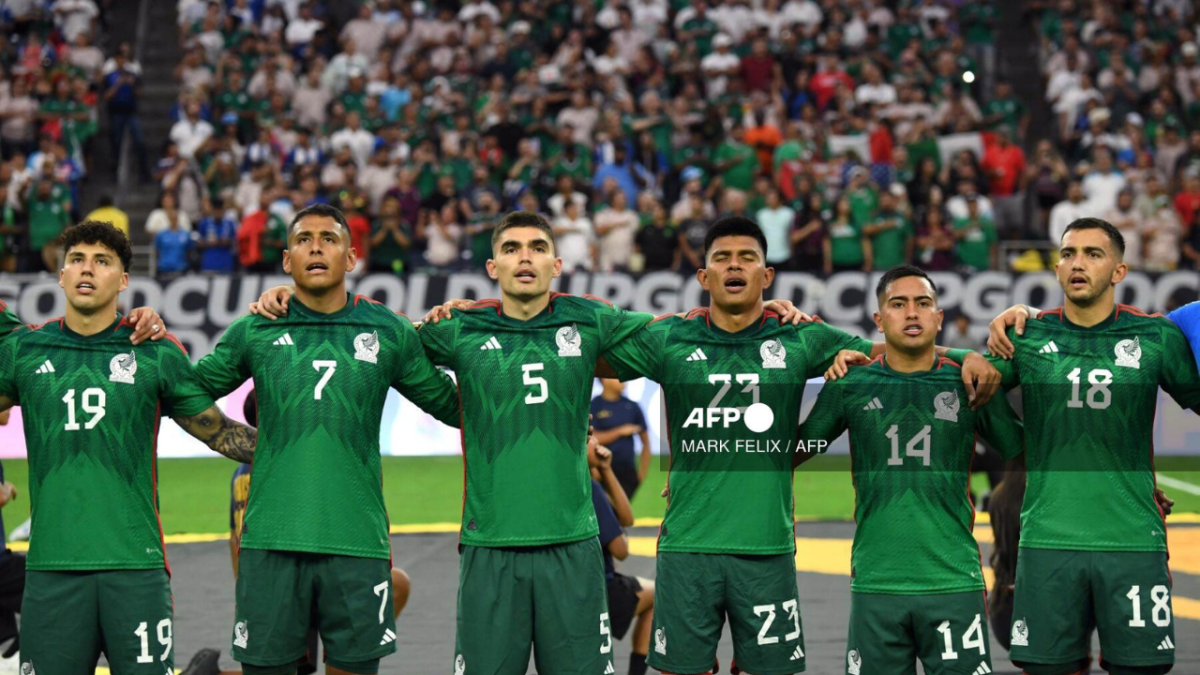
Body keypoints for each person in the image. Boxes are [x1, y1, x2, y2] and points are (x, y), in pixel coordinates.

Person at [598, 218, 1000, 675]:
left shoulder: (800, 336)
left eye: (748, 258)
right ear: (703, 276)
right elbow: (585, 357)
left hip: (767, 548)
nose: (735, 266)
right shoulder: (669, 336)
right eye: (722, 259)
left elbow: (899, 350)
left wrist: (964, 355)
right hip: (688, 547)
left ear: (766, 275)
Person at [194, 204, 462, 675]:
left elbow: (453, 407)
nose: (316, 246)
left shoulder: (388, 331)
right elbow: (182, 390)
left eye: (329, 238)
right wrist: (238, 442)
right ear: (286, 260)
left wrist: (470, 330)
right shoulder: (255, 329)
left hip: (356, 544)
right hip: (272, 543)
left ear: (351, 257)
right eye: (303, 239)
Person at [0, 221, 257, 675]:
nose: (87, 269)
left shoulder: (155, 352)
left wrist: (293, 450)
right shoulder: (25, 350)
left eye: (102, 262)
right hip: (51, 572)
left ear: (123, 281)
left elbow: (219, 432)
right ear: (61, 275)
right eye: (77, 259)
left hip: (135, 570)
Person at [981, 218, 1200, 675]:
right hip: (1047, 543)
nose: (1077, 263)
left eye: (1093, 254)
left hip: (1132, 541)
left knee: (1141, 669)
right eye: (1068, 254)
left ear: (1119, 271)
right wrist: (1016, 443)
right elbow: (968, 384)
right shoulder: (1027, 336)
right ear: (1057, 269)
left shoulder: (1157, 337)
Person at [799, 265, 1025, 675]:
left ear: (938, 317)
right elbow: (796, 450)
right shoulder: (849, 384)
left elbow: (1022, 451)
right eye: (898, 304)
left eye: (923, 303)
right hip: (876, 582)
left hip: (954, 581)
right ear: (878, 320)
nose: (912, 313)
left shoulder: (970, 382)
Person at [589, 438, 655, 675]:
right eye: (590, 438)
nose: (597, 443)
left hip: (563, 585)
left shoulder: (584, 483)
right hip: (599, 587)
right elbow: (621, 551)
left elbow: (625, 519)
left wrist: (605, 471)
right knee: (657, 594)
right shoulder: (590, 487)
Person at [590, 378, 650, 499]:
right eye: (617, 377)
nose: (624, 380)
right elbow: (591, 438)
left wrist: (642, 472)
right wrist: (620, 431)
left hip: (628, 473)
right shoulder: (594, 406)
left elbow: (645, 441)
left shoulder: (632, 407)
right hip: (602, 472)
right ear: (604, 380)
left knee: (621, 514)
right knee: (606, 512)